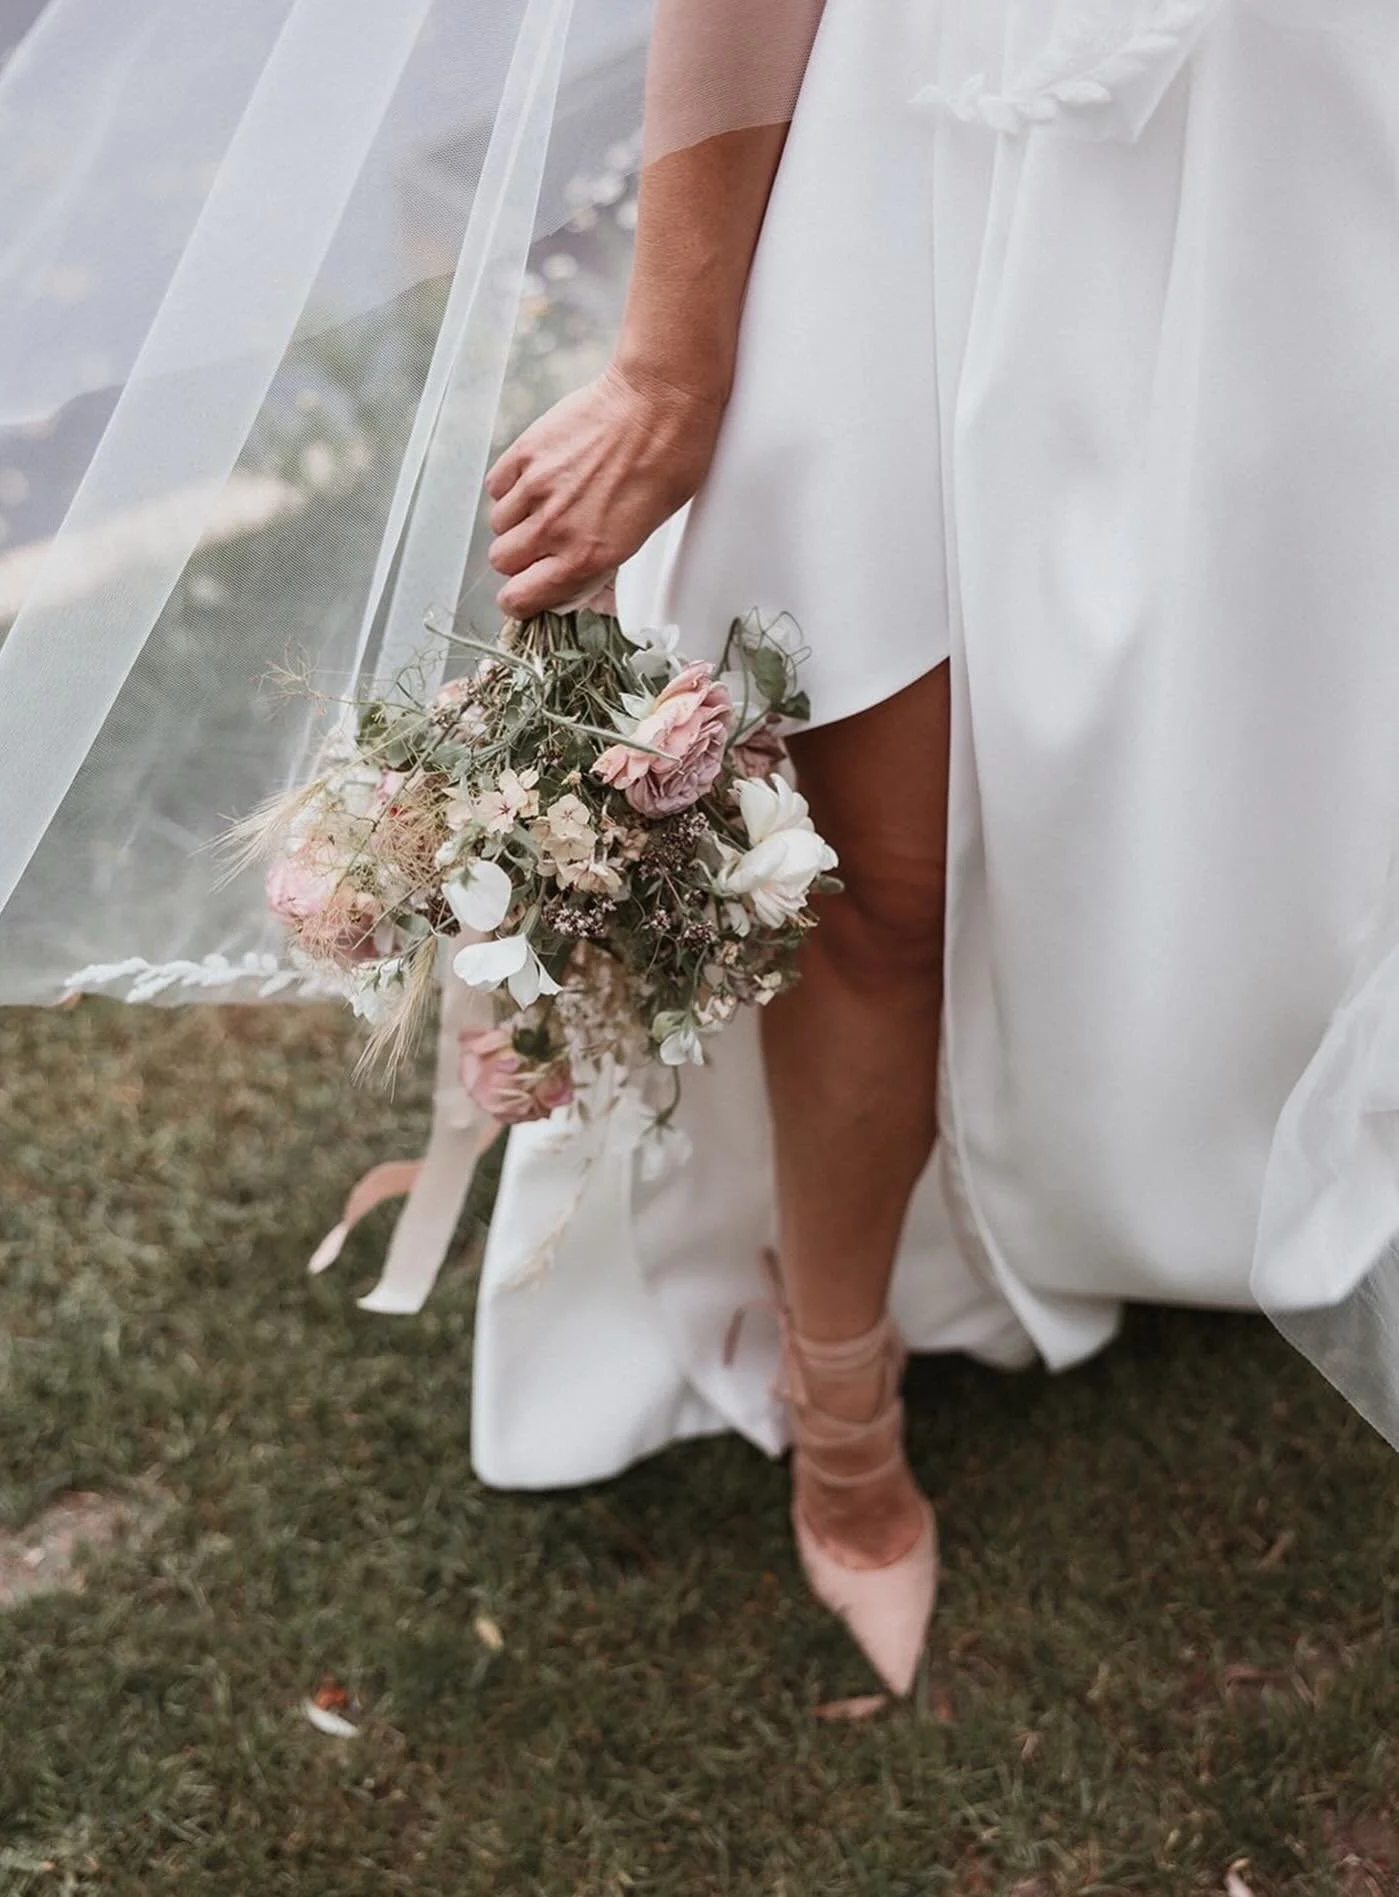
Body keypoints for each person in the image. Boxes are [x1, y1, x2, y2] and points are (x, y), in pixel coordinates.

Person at [471, 0, 1399, 1700]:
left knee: (1290, 753)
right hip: (920, 147)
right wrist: (672, 359)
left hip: (1288, 152)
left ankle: (1186, 1151)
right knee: (864, 870)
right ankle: (839, 1411)